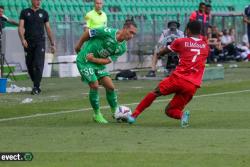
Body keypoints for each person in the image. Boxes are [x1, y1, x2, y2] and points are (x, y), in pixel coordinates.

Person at [127, 21, 210, 127]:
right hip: (193, 85)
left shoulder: (181, 41)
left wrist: (159, 54)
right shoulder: (205, 46)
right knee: (170, 110)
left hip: (179, 78)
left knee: (155, 92)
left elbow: (164, 51)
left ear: (188, 30)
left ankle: (133, 116)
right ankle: (182, 115)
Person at [74, 19, 137, 123]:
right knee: (94, 85)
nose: (132, 36)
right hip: (85, 59)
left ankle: (115, 112)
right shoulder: (106, 31)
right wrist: (78, 46)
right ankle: (97, 114)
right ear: (124, 28)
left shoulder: (122, 48)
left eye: (134, 34)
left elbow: (107, 60)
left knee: (111, 87)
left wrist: (94, 60)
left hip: (96, 62)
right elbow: (88, 33)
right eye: (131, 32)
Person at [18, 0, 55, 95]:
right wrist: (22, 39)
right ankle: (36, 82)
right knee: (29, 64)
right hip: (28, 42)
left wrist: (52, 44)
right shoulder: (24, 12)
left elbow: (48, 29)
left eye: (40, 0)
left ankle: (36, 87)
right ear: (32, 1)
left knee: (38, 64)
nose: (38, 2)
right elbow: (21, 27)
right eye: (36, 0)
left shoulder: (44, 13)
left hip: (40, 42)